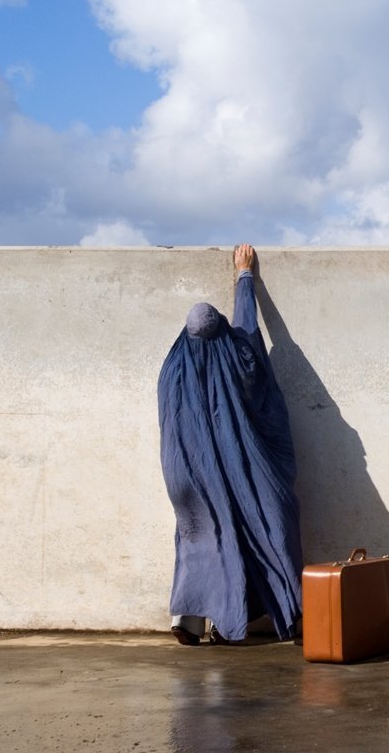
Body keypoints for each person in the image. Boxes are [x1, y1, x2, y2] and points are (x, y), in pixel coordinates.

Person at [158, 244, 303, 646]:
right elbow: (249, 331)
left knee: (201, 537)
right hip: (246, 471)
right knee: (271, 522)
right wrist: (244, 277)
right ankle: (256, 619)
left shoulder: (173, 367)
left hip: (188, 476)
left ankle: (188, 621)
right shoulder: (239, 358)